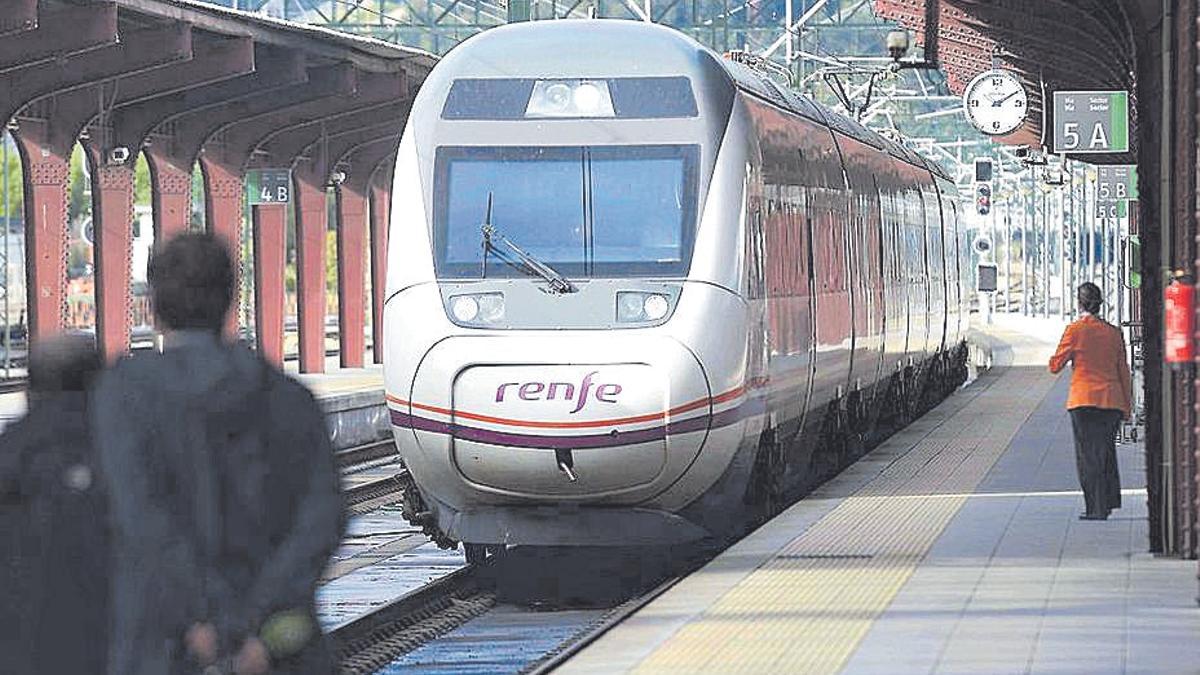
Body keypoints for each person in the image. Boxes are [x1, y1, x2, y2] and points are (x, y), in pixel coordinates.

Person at [93, 232, 345, 674]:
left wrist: (203, 618)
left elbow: (141, 518)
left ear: (153, 306)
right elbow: (323, 518)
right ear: (230, 299)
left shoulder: (124, 397)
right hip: (277, 649)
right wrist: (255, 622)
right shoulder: (290, 399)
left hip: (163, 644)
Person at [0, 334, 107, 674]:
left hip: (21, 647)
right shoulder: (130, 456)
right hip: (112, 645)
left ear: (31, 391)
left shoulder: (8, 453)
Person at [1049, 282, 1133, 520]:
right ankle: (1107, 502)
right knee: (1105, 452)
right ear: (1100, 304)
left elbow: (1055, 366)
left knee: (1088, 456)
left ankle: (1096, 508)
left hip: (1083, 402)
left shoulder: (1074, 330)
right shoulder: (1114, 333)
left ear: (1080, 303)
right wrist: (1127, 407)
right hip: (1111, 402)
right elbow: (1123, 372)